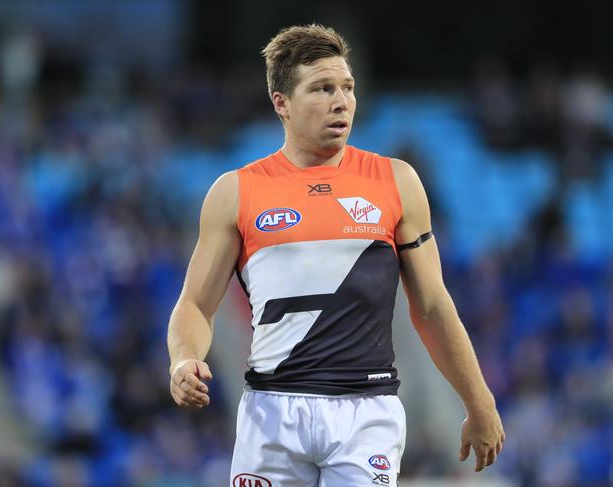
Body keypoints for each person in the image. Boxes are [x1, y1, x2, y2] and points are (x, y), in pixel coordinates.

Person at [167, 24, 505, 486]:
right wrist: (184, 359)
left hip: (365, 413)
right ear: (281, 103)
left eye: (347, 87)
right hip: (271, 412)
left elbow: (431, 306)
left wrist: (479, 401)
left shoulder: (397, 183)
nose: (340, 100)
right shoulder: (235, 193)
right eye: (322, 89)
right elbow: (194, 305)